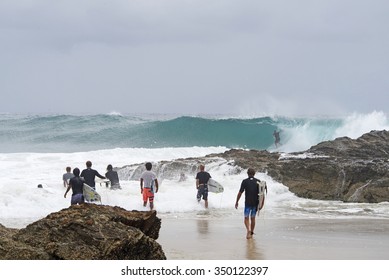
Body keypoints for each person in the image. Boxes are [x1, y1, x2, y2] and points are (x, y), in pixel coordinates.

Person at [235, 168, 261, 239]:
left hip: (248, 203)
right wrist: (261, 204)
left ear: (247, 173)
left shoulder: (244, 181)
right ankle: (251, 232)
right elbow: (262, 194)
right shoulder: (258, 181)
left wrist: (237, 201)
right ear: (254, 174)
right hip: (255, 203)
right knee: (253, 218)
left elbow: (240, 192)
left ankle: (248, 230)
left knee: (246, 218)